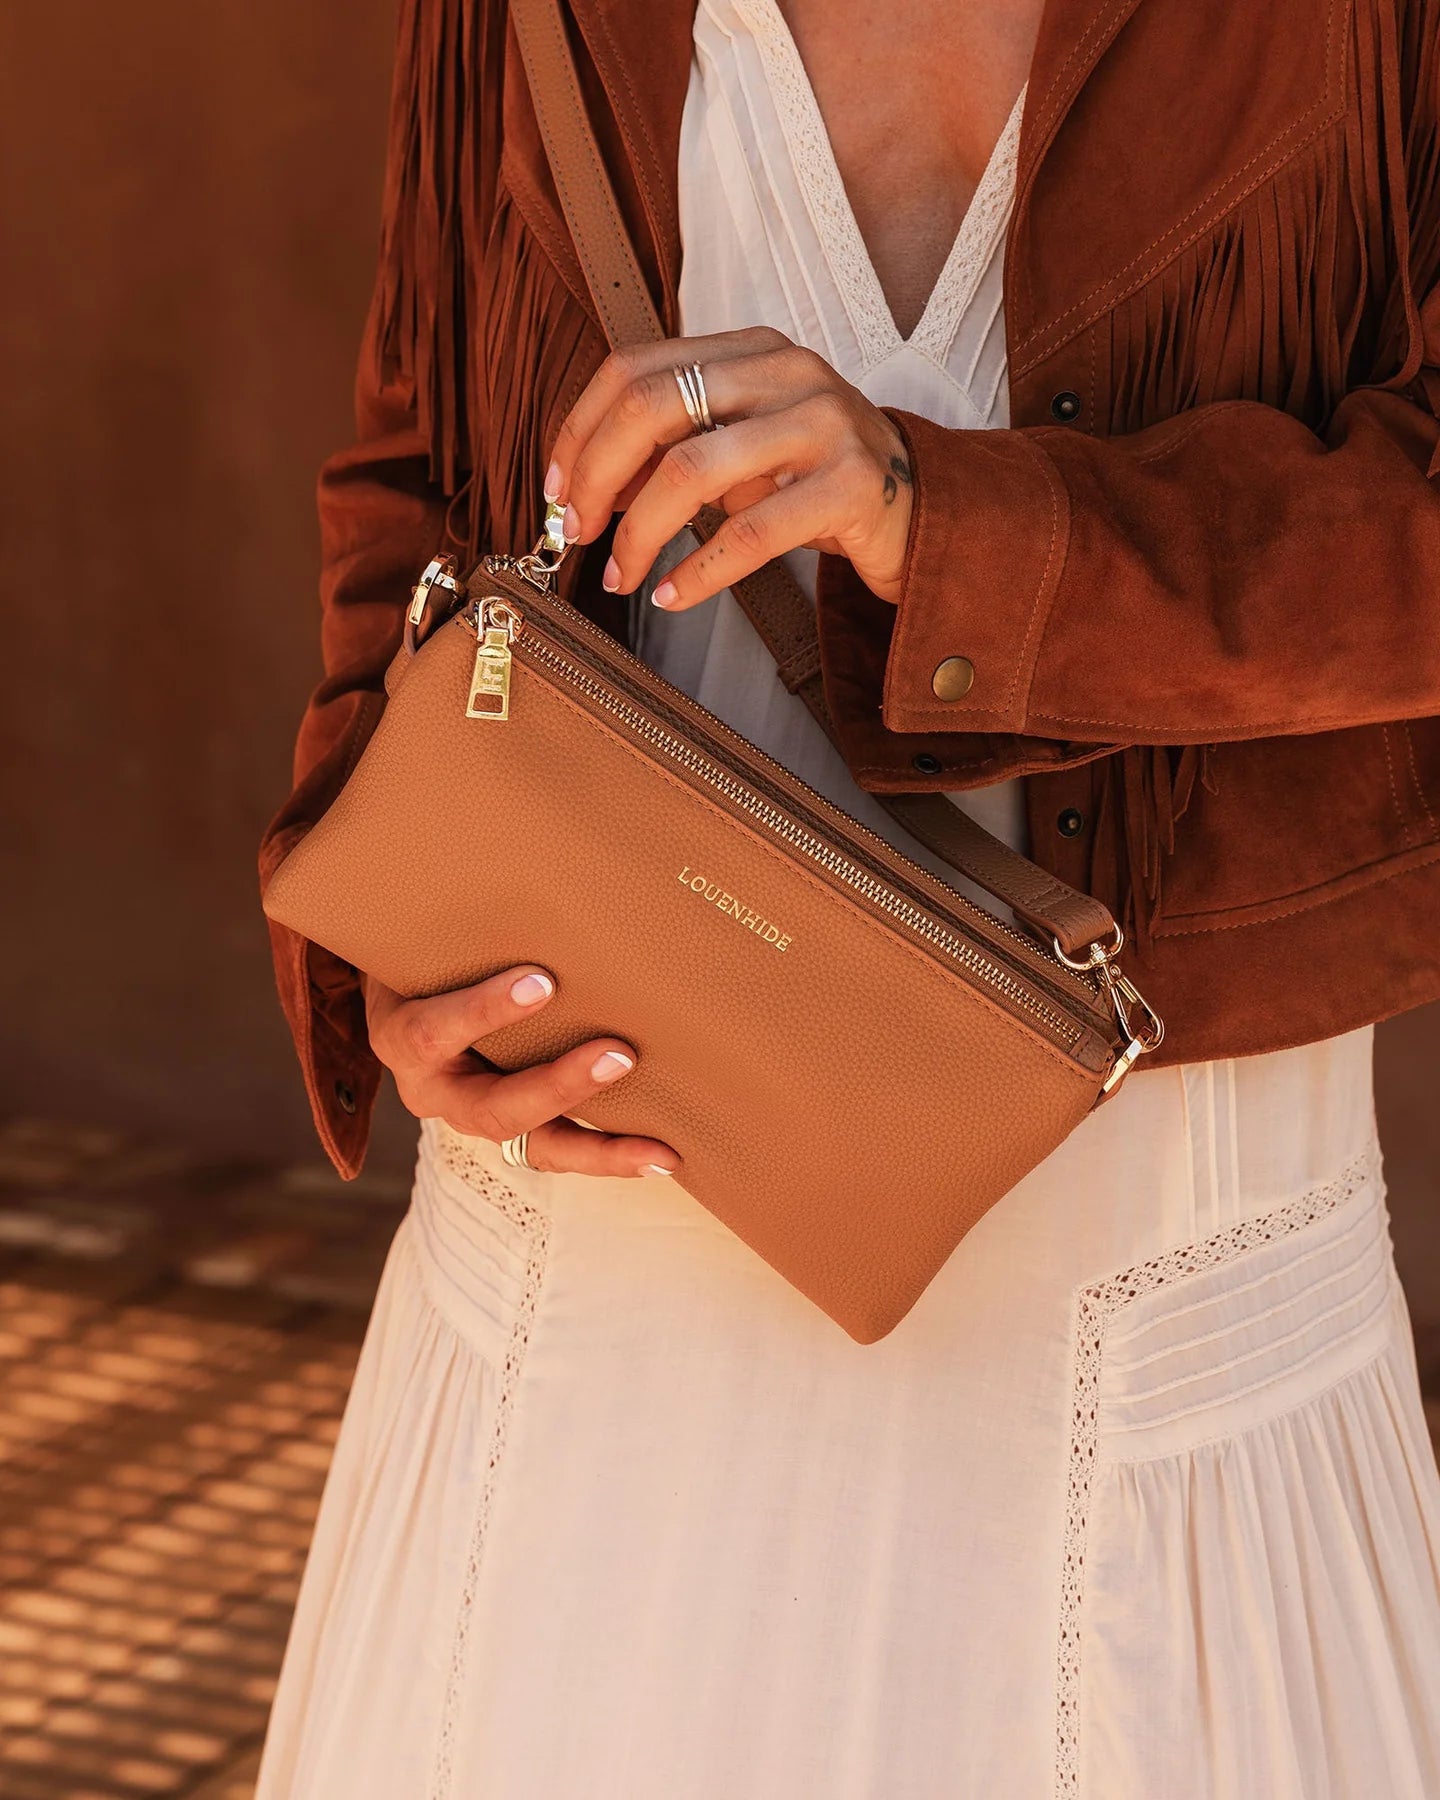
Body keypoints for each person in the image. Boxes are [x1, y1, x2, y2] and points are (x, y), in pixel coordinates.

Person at [255, 0, 1440, 1792]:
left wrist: (948, 526)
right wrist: (385, 951)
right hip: (575, 1280)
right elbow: (424, 471)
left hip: (1143, 1304)